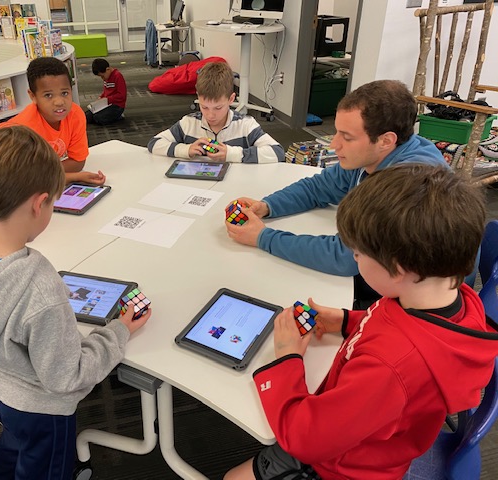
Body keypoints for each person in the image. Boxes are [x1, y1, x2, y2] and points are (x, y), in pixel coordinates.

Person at [225, 163, 498, 480]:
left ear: (396, 269)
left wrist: (287, 358)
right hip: (380, 433)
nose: (354, 258)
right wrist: (344, 320)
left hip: (347, 467)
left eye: (357, 254)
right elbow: (393, 322)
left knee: (233, 477)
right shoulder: (447, 296)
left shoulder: (389, 369)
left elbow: (306, 440)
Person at [0, 125, 151, 479]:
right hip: (42, 409)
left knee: (12, 447)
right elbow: (66, 377)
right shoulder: (39, 285)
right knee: (42, 468)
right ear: (40, 204)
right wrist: (117, 332)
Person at [225, 79, 447, 309]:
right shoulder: (375, 155)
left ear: (385, 140)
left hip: (414, 304)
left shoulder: (407, 186)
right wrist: (267, 206)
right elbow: (317, 188)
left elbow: (344, 257)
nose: (334, 144)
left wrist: (263, 238)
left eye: (347, 137)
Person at [0, 57, 106, 186]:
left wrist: (43, 174)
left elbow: (78, 162)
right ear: (33, 96)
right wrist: (72, 177)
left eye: (64, 93)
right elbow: (24, 179)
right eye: (48, 95)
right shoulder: (22, 130)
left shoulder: (75, 115)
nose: (59, 102)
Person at [147, 61, 285, 164]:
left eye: (218, 108)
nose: (210, 115)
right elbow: (154, 143)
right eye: (204, 107)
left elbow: (277, 152)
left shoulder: (245, 125)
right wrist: (185, 150)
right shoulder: (188, 123)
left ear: (231, 99)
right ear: (198, 97)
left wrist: (232, 154)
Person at [85, 58, 127, 126]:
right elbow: (106, 91)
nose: (103, 78)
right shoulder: (107, 76)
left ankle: (118, 116)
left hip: (117, 106)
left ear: (107, 69)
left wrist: (107, 99)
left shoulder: (118, 76)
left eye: (102, 76)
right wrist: (101, 97)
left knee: (99, 118)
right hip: (106, 104)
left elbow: (122, 95)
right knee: (87, 116)